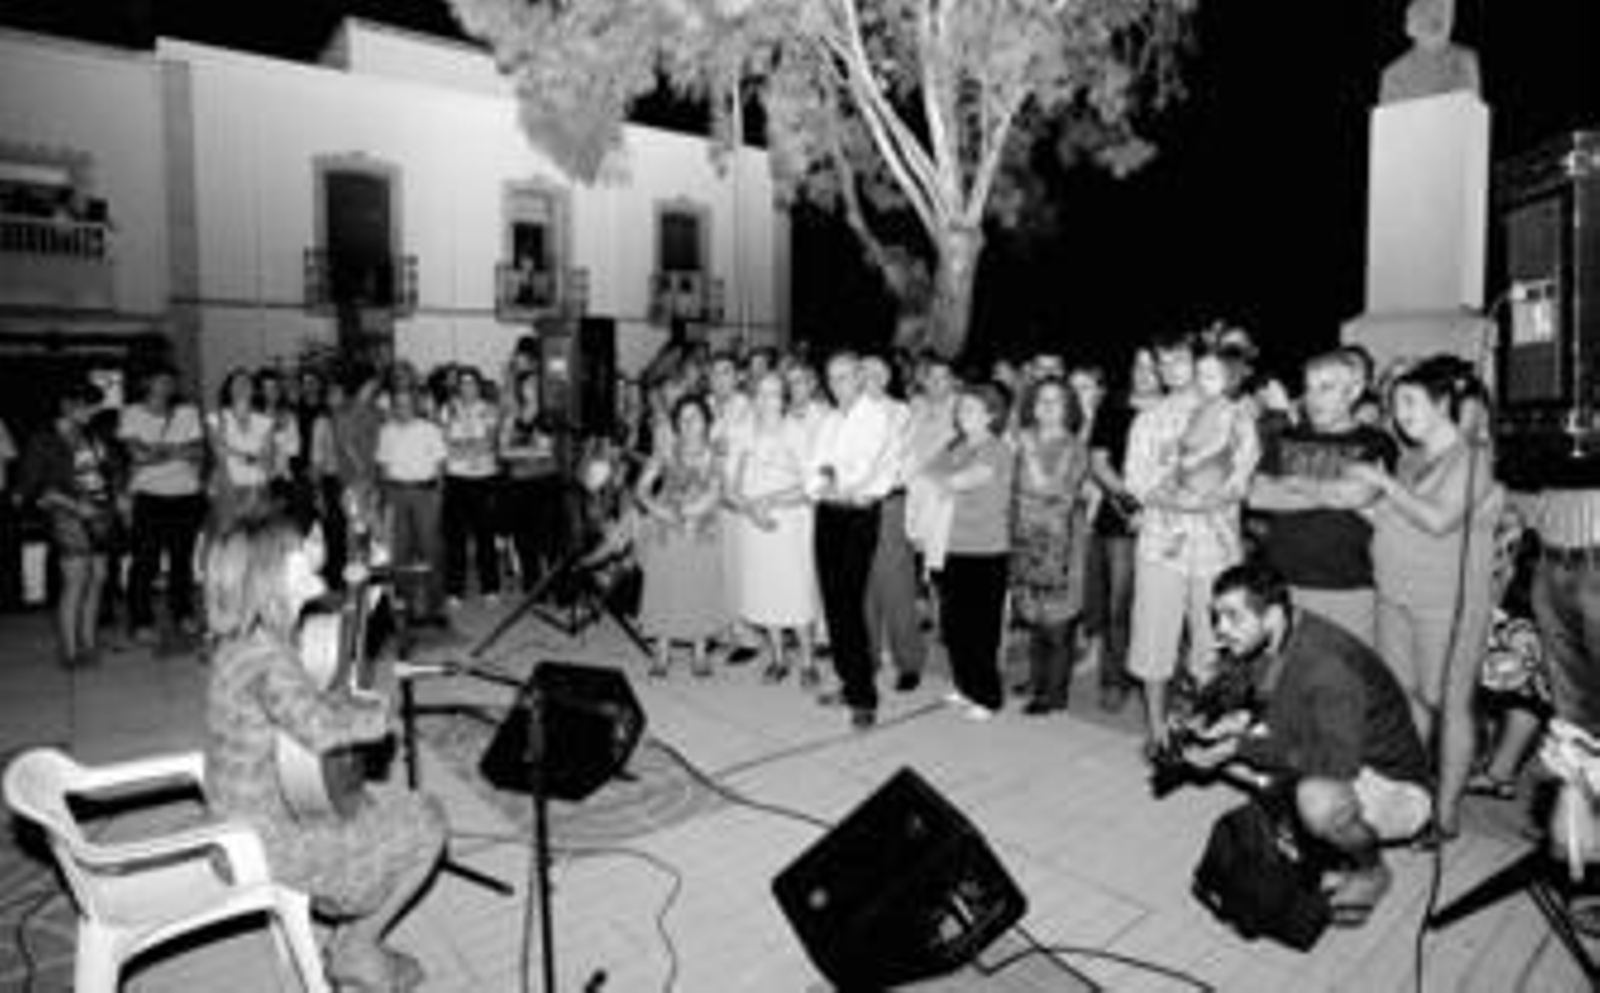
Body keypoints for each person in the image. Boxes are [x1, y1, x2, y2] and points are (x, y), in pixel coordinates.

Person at [202, 512, 445, 991]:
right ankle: (356, 946)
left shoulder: (252, 639)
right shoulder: (267, 659)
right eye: (299, 548)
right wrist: (377, 717)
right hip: (269, 840)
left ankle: (349, 933)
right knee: (429, 819)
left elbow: (313, 680)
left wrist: (362, 582)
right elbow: (319, 730)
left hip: (246, 819)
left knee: (372, 803)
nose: (311, 550)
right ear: (272, 574)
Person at [1179, 563, 1432, 924]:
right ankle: (1322, 849)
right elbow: (1280, 709)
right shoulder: (1280, 634)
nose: (1220, 629)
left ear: (1272, 615)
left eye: (1233, 617)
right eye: (1216, 616)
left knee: (1317, 801)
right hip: (1340, 748)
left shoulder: (1326, 665)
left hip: (1394, 783)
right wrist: (1223, 727)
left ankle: (1372, 872)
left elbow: (1337, 765)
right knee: (1244, 761)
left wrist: (1237, 747)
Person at [1346, 355, 1502, 841]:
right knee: (1405, 698)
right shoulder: (1412, 458)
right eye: (1396, 405)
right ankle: (1410, 800)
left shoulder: (1474, 458)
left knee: (1449, 704)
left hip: (1446, 604)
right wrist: (1343, 500)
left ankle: (1447, 813)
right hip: (1395, 595)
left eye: (1411, 402)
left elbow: (1438, 520)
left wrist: (1382, 483)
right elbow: (1396, 517)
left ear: (1443, 403)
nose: (1401, 414)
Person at [1249, 349, 1396, 646]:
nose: (1313, 398)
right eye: (1309, 388)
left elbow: (1359, 494)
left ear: (1354, 391)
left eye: (1326, 388)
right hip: (1283, 585)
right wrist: (1336, 490)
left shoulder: (1376, 441)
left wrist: (1294, 483)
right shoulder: (1287, 438)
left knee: (1347, 671)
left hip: (1348, 587)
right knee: (1285, 670)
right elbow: (1257, 496)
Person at [808, 353, 899, 729]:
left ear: (860, 378)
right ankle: (848, 682)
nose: (837, 385)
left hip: (858, 518)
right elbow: (815, 469)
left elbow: (863, 470)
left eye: (844, 377)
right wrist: (829, 485)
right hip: (829, 514)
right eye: (831, 378)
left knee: (849, 603)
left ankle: (864, 696)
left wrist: (834, 482)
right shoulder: (830, 419)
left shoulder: (875, 417)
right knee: (833, 604)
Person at [924, 382, 1016, 721]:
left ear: (992, 415)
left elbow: (959, 481)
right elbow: (926, 473)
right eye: (961, 408)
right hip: (950, 546)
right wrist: (945, 481)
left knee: (981, 629)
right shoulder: (956, 444)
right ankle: (965, 686)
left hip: (985, 550)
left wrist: (946, 482)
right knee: (955, 625)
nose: (963, 414)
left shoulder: (997, 449)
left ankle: (988, 697)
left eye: (971, 409)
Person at [728, 371, 818, 685]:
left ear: (784, 399)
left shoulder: (798, 432)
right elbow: (730, 488)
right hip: (754, 523)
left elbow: (811, 485)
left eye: (775, 394)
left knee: (795, 592)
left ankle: (808, 662)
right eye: (762, 393)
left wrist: (769, 501)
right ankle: (778, 658)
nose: (768, 400)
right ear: (754, 398)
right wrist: (751, 509)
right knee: (765, 591)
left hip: (789, 524)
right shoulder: (742, 433)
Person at [20, 378, 116, 667]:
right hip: (68, 515)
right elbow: (33, 488)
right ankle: (70, 651)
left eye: (95, 407)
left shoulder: (91, 435)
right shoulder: (43, 439)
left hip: (100, 513)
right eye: (88, 406)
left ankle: (89, 643)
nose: (93, 412)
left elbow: (107, 471)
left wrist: (118, 494)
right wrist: (74, 506)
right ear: (67, 405)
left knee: (97, 579)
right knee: (76, 581)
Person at [1011, 377, 1092, 714]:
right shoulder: (1021, 439)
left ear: (1068, 407)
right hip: (1025, 539)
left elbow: (1052, 489)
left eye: (1055, 400)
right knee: (1033, 615)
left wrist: (1029, 451)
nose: (1046, 406)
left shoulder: (1074, 447)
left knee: (1057, 621)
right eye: (1041, 400)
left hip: (1061, 542)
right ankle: (1037, 679)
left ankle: (1053, 694)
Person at [635, 395, 726, 677]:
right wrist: (657, 509)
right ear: (676, 424)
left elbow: (715, 493)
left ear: (706, 422)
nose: (688, 424)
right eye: (683, 418)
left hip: (700, 528)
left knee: (699, 586)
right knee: (664, 586)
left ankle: (700, 652)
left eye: (695, 417)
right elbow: (641, 488)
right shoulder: (665, 452)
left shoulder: (714, 455)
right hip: (665, 527)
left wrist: (685, 513)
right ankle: (662, 652)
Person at [119, 362, 207, 644]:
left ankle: (183, 614)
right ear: (146, 383)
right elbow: (137, 456)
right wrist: (177, 450)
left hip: (187, 495)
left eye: (171, 380)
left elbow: (198, 452)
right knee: (146, 562)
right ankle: (141, 621)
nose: (167, 385)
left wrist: (157, 451)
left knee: (182, 561)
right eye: (161, 379)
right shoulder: (132, 413)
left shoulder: (187, 412)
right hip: (149, 496)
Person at [375, 386, 449, 626]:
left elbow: (440, 465)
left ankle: (436, 607)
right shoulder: (386, 431)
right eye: (398, 404)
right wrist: (386, 498)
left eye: (407, 403)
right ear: (393, 406)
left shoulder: (430, 429)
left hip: (425, 494)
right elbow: (383, 467)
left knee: (431, 550)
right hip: (396, 494)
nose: (403, 408)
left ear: (415, 405)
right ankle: (404, 606)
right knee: (400, 553)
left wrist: (437, 496)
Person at [439, 368, 501, 606]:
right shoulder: (447, 409)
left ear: (479, 386)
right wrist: (471, 446)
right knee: (455, 538)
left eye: (472, 383)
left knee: (485, 536)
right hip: (456, 479)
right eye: (463, 383)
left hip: (484, 478)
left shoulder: (490, 409)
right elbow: (444, 445)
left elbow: (489, 444)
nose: (467, 387)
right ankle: (454, 590)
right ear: (458, 387)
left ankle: (490, 588)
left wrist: (460, 447)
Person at [499, 370, 564, 592]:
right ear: (520, 389)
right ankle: (533, 587)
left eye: (536, 384)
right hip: (519, 485)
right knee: (523, 540)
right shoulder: (512, 415)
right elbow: (502, 452)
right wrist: (527, 450)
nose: (532, 388)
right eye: (527, 384)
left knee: (551, 540)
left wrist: (515, 450)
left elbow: (545, 451)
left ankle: (558, 588)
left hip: (546, 482)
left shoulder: (549, 414)